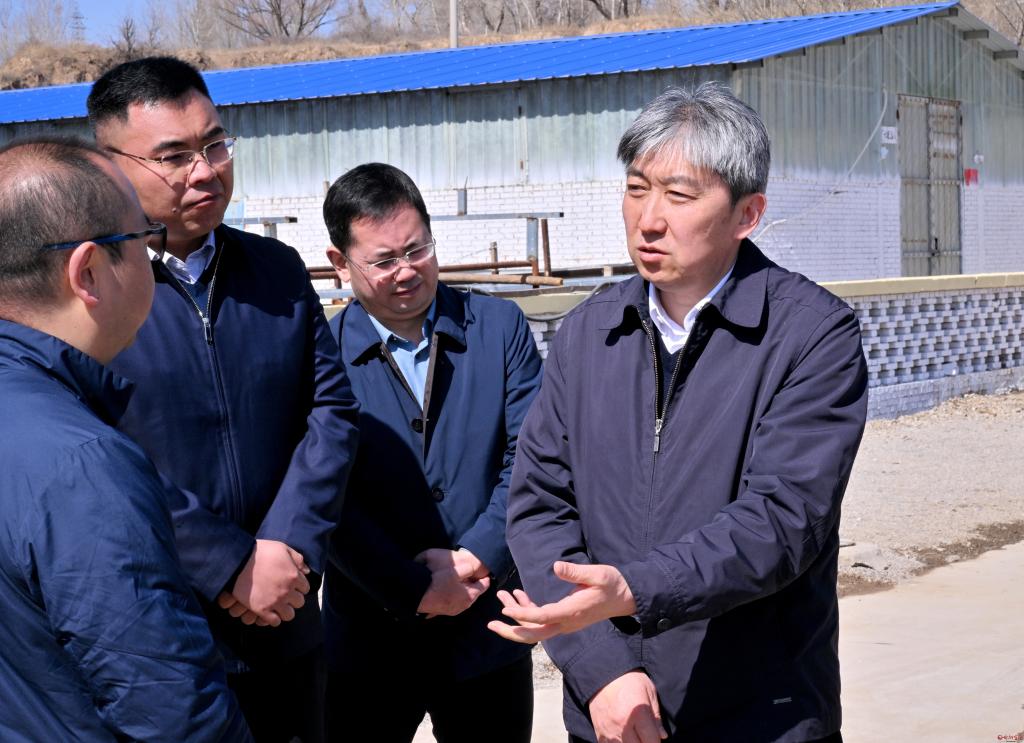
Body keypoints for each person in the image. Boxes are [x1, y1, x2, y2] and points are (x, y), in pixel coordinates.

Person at [489, 82, 869, 743]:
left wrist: (636, 587)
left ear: (747, 213)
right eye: (637, 189)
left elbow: (783, 519)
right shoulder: (588, 332)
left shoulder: (811, 335)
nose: (648, 218)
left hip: (759, 715)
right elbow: (539, 507)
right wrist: (603, 671)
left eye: (679, 195)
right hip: (611, 716)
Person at [87, 57, 360, 742]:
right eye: (173, 157)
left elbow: (330, 411)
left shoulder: (275, 269)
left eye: (215, 145)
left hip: (285, 621)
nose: (205, 171)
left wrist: (287, 547)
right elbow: (95, 451)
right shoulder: (89, 291)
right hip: (160, 640)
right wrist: (228, 562)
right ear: (112, 166)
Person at [0, 136, 251, 741]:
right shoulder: (82, 465)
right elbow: (172, 713)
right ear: (88, 271)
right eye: (143, 240)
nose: (153, 261)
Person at [320, 162, 543, 743]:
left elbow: (534, 459)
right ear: (340, 263)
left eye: (417, 249)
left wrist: (475, 555)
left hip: (486, 628)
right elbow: (324, 493)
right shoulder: (321, 357)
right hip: (369, 638)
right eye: (383, 260)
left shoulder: (499, 328)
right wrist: (411, 586)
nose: (406, 271)